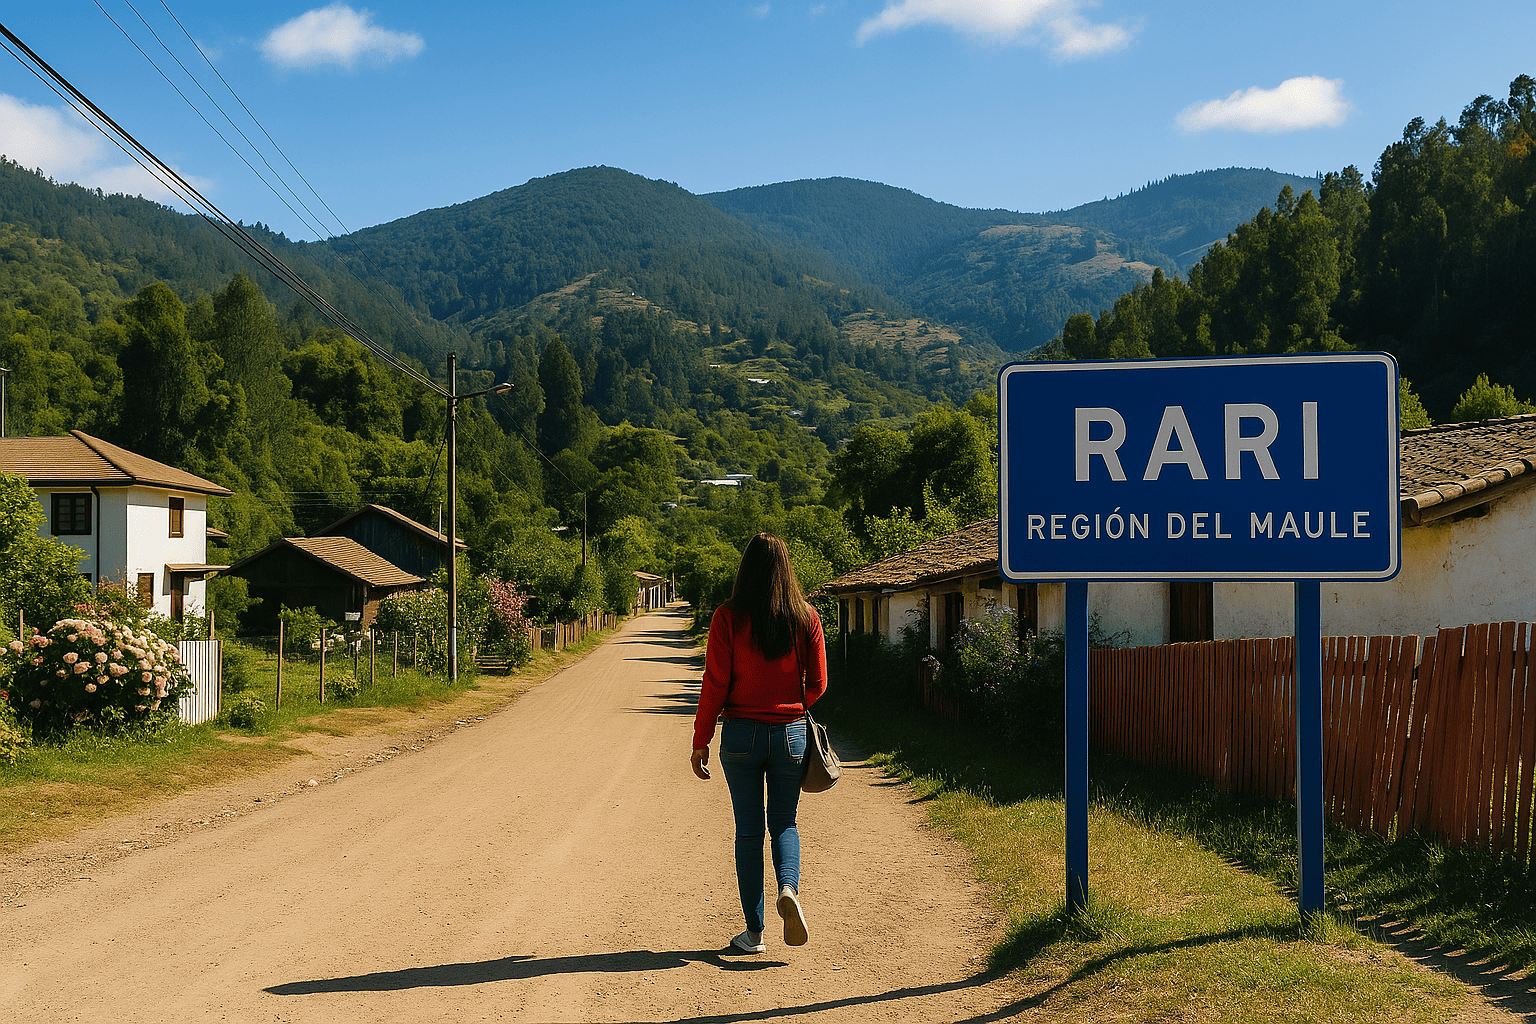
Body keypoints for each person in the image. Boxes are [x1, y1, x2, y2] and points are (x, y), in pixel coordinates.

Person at [691, 532, 828, 954]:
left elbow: (714, 684)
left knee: (748, 832)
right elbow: (818, 684)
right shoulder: (806, 617)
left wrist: (701, 739)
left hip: (740, 736)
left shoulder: (727, 618)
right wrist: (788, 706)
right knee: (784, 821)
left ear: (745, 569)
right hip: (791, 734)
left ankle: (753, 934)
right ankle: (789, 889)